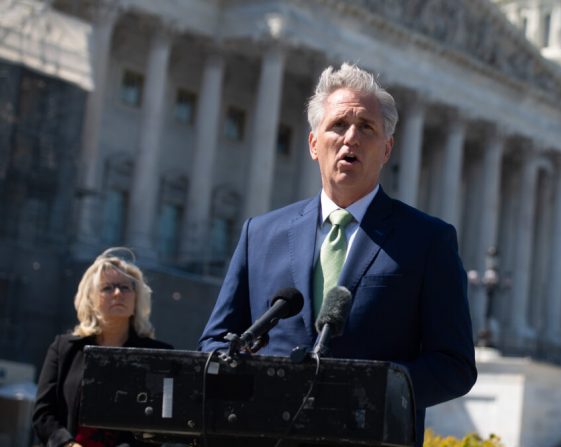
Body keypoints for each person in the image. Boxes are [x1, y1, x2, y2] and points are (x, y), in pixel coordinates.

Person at [198, 63, 477, 445]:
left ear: (387, 149)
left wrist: (370, 390)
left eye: (366, 128)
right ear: (314, 144)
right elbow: (216, 341)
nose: (351, 139)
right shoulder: (260, 234)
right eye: (338, 125)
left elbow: (454, 366)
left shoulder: (427, 240)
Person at [33, 247, 173, 447]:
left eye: (126, 287)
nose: (118, 293)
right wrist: (68, 445)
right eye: (107, 288)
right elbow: (43, 414)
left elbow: (161, 422)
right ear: (90, 299)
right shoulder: (63, 349)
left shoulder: (158, 356)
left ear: (136, 297)